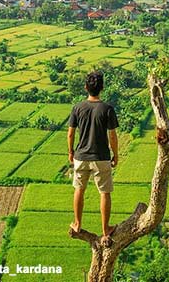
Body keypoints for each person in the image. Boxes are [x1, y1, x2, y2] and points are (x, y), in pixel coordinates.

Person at [68, 71, 119, 241]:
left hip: (81, 156)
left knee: (79, 189)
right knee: (104, 193)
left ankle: (77, 224)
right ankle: (106, 229)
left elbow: (70, 134)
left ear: (85, 88)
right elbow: (112, 135)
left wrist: (71, 152)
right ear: (102, 88)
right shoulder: (107, 109)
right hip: (101, 157)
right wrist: (116, 154)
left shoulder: (77, 107)